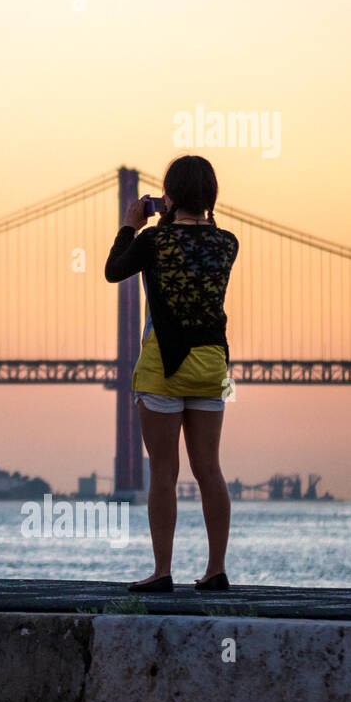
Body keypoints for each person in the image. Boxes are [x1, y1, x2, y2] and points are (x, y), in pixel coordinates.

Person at [104, 155, 239, 592]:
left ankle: (163, 572)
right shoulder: (228, 243)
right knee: (210, 471)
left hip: (163, 367)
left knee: (163, 473)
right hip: (212, 366)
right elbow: (193, 249)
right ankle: (216, 569)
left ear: (170, 194)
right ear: (211, 196)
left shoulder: (152, 243)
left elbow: (113, 270)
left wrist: (131, 224)